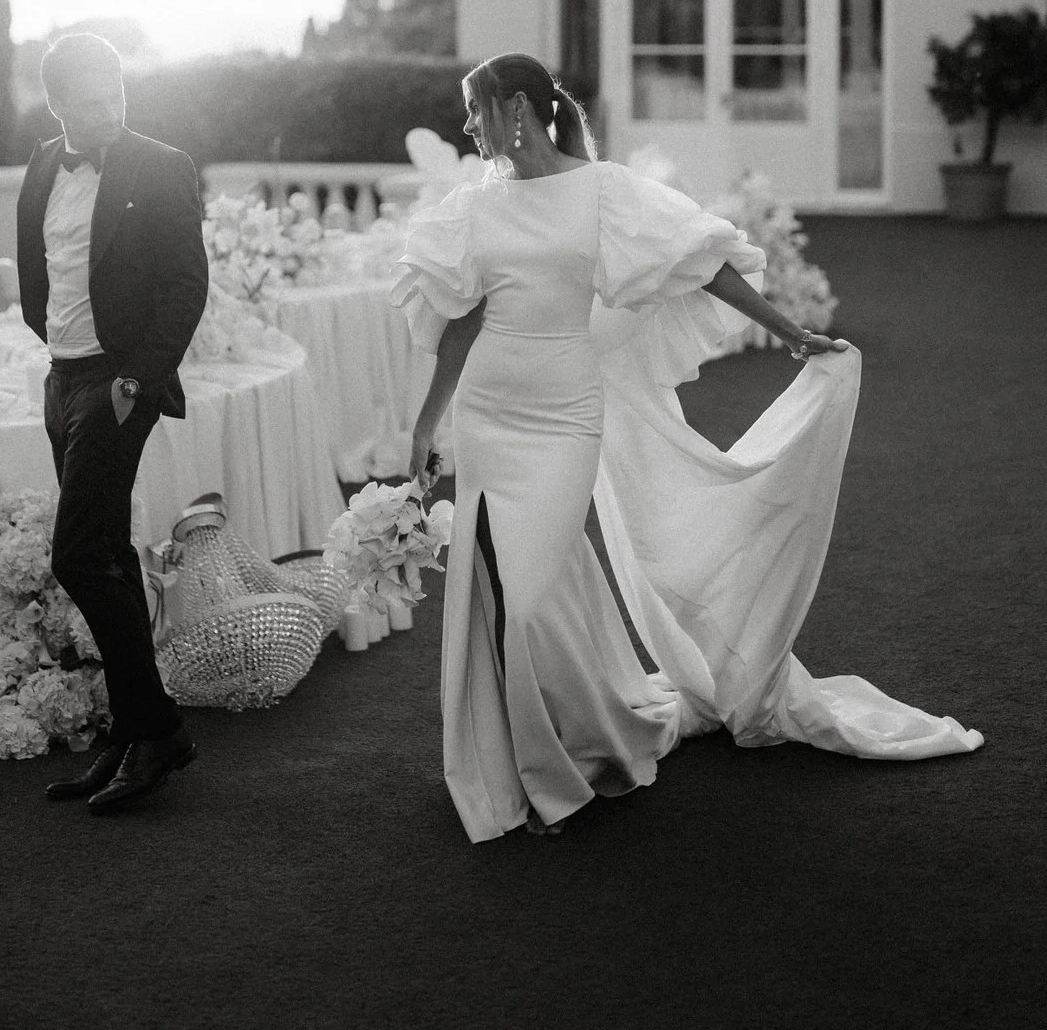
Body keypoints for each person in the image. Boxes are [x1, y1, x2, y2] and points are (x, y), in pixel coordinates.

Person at [394, 53, 982, 844]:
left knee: (530, 601)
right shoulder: (478, 206)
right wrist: (427, 424)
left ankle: (560, 753)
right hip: (489, 415)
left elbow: (700, 262)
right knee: (511, 594)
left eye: (476, 110)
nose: (469, 127)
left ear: (519, 108)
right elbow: (462, 321)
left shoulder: (601, 190)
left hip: (566, 417)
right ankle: (535, 765)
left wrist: (791, 331)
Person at [16, 32, 209, 812]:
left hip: (117, 384)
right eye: (91, 102)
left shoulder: (160, 167)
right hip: (62, 377)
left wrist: (133, 379)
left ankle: (157, 728)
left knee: (78, 556)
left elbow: (185, 284)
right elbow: (41, 270)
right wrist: (54, 353)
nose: (110, 111)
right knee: (109, 556)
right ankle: (133, 734)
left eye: (117, 95)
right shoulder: (41, 165)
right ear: (58, 105)